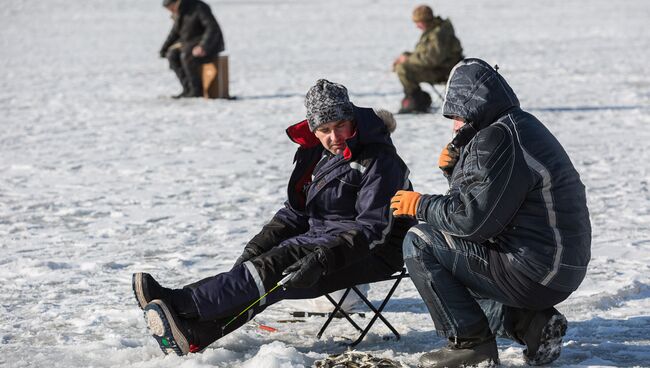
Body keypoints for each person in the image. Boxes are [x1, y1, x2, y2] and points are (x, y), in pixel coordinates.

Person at [132, 79, 416, 355]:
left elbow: (372, 229)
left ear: (352, 121)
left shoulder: (379, 160)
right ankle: (195, 334)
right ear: (313, 130)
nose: (334, 137)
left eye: (340, 126)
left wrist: (322, 259)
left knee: (275, 266)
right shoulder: (320, 154)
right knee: (264, 263)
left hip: (373, 251)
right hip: (325, 238)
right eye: (325, 129)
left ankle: (183, 303)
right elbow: (296, 211)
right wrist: (257, 245)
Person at [390, 58, 591, 367]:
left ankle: (471, 344)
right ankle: (532, 325)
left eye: (456, 115)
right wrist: (455, 170)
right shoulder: (518, 125)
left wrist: (419, 204)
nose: (454, 125)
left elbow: (470, 222)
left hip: (536, 270)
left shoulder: (496, 138)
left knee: (420, 241)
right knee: (454, 257)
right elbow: (495, 204)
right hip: (559, 267)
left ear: (471, 109)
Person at [393, 5, 463, 114]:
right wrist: (406, 56)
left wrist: (407, 59)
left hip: (443, 72)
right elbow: (425, 54)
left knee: (403, 68)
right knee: (402, 65)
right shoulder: (434, 30)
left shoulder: (438, 34)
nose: (417, 26)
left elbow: (431, 59)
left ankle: (415, 100)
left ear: (425, 20)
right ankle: (417, 99)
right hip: (438, 68)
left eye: (418, 22)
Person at [159, 0, 225, 98]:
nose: (170, 11)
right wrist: (164, 49)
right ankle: (187, 89)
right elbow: (174, 33)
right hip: (190, 44)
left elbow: (212, 28)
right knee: (172, 55)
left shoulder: (198, 7)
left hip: (209, 44)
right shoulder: (181, 12)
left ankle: (197, 90)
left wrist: (203, 46)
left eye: (170, 8)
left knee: (186, 55)